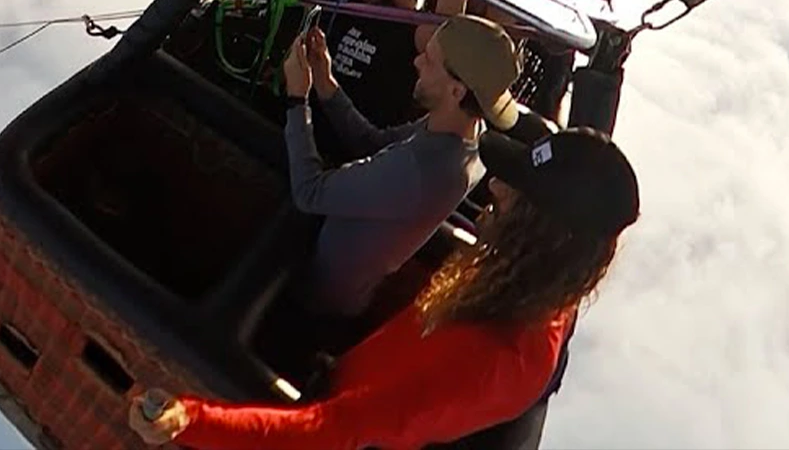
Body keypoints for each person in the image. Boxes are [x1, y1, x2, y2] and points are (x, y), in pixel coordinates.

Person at [129, 123, 641, 449]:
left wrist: (189, 421)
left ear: (545, 235)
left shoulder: (491, 362)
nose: (497, 186)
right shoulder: (540, 289)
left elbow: (338, 431)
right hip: (344, 383)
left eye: (519, 193)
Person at [281, 13, 524, 325]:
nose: (417, 62)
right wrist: (325, 83)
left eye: (430, 60)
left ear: (457, 91)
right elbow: (373, 142)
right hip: (337, 283)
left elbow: (308, 192)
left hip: (312, 300)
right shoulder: (464, 134)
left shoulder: (421, 169)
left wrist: (296, 98)